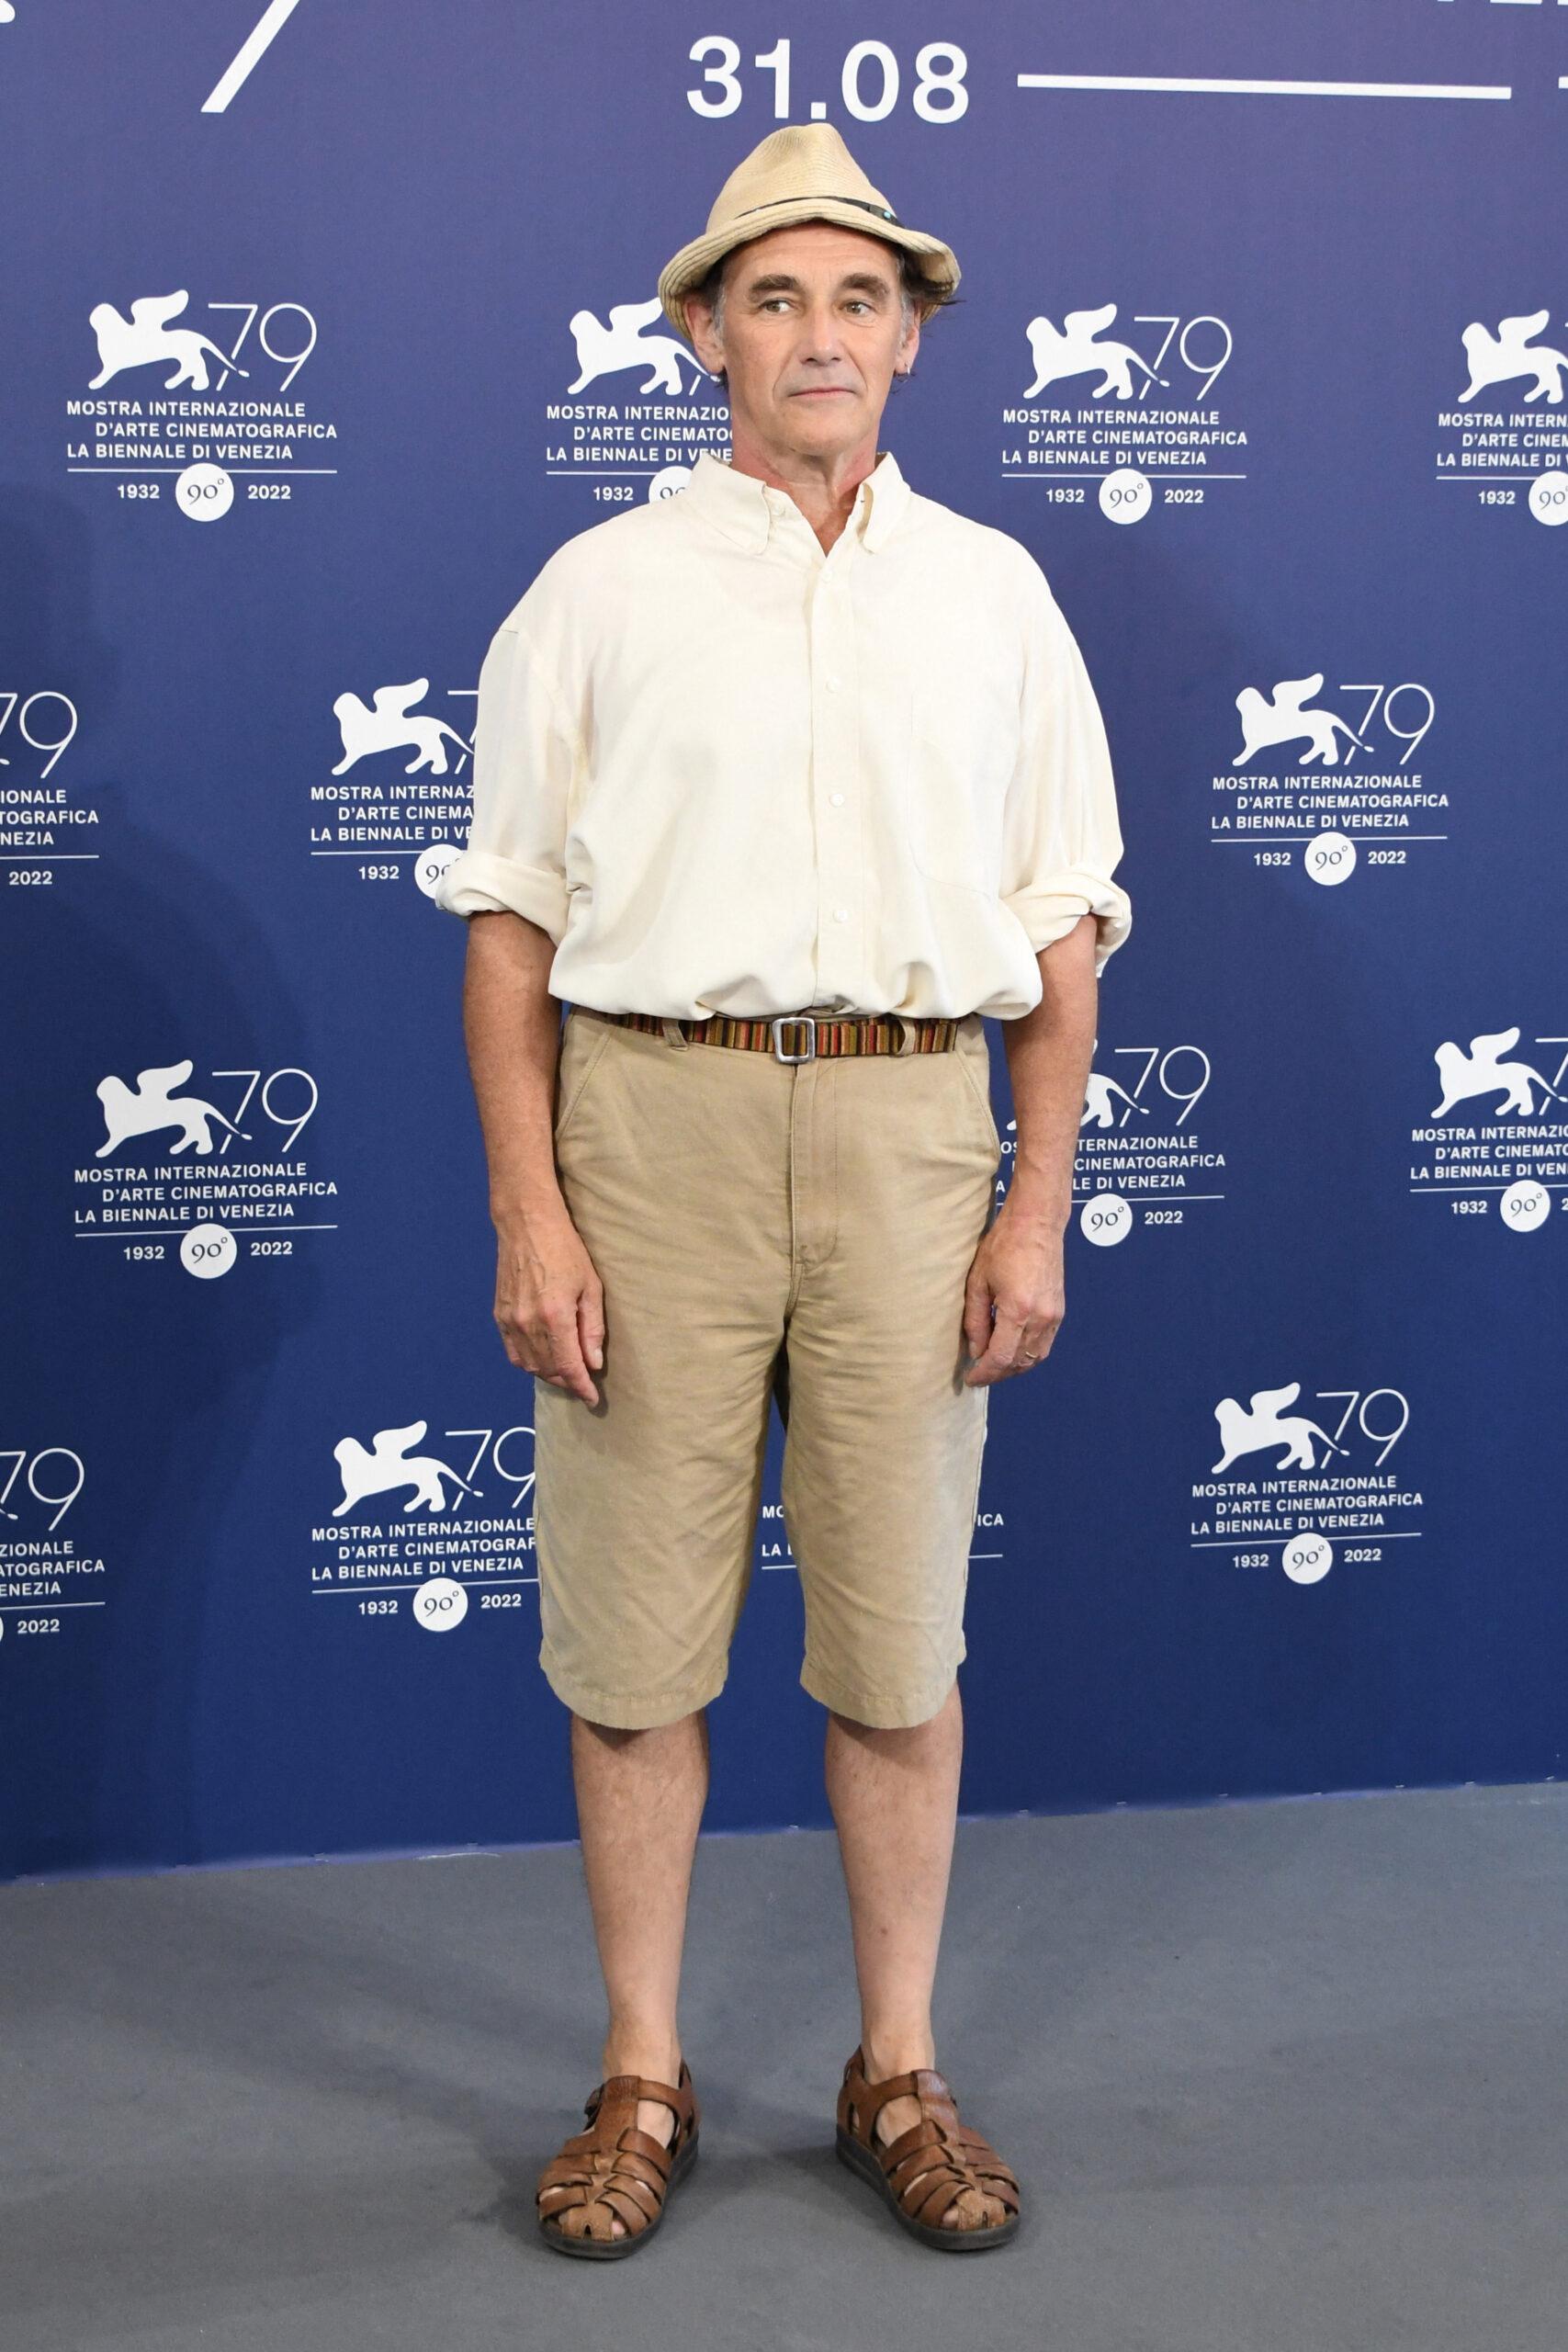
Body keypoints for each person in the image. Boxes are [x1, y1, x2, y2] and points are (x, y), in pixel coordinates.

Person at [434, 121, 1133, 2259]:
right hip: (650, 1135)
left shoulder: (995, 593)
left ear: (908, 339)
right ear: (706, 337)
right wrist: (531, 1214)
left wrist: (1031, 1204)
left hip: (920, 1137)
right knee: (637, 1653)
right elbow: (506, 931)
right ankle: (638, 2070)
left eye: (855, 297)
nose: (815, 333)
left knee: (897, 1649)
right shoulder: (593, 592)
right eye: (772, 297)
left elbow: (1064, 924)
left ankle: (891, 2063)